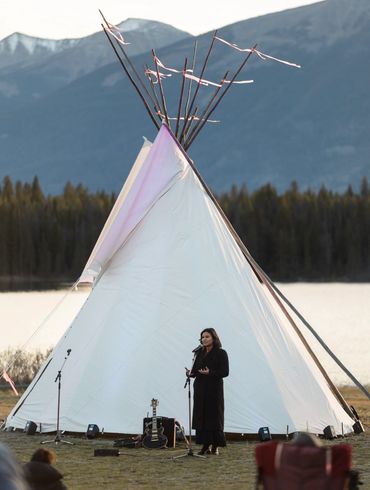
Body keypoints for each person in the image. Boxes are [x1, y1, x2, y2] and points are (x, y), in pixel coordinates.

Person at [188, 327, 229, 455]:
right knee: (202, 415)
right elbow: (195, 370)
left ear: (213, 338)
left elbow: (225, 372)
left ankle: (215, 445)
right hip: (200, 388)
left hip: (214, 388)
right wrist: (190, 373)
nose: (204, 339)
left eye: (207, 337)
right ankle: (205, 445)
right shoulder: (199, 353)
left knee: (214, 416)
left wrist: (210, 372)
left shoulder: (221, 353)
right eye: (202, 337)